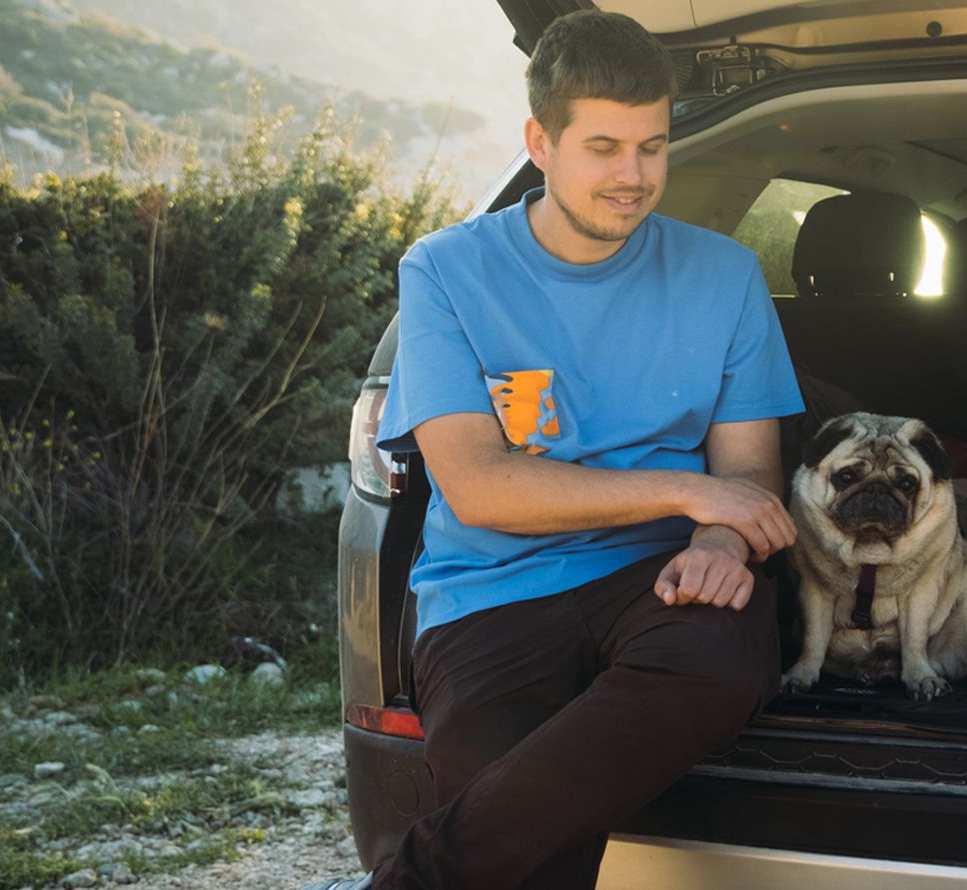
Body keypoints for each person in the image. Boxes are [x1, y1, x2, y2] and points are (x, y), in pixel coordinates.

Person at [306, 9, 804, 890]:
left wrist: (722, 543)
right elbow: (482, 489)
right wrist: (694, 500)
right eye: (605, 148)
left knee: (725, 654)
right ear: (540, 140)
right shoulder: (445, 270)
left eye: (652, 147)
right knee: (524, 844)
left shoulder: (723, 277)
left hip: (657, 583)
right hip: (490, 592)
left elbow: (746, 475)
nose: (634, 175)